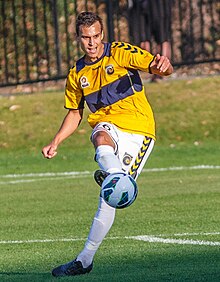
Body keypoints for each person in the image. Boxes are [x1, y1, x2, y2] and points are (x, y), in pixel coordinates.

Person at [42, 11, 173, 277]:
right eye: (85, 37)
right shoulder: (77, 73)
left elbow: (161, 66)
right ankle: (113, 176)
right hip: (108, 127)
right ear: (78, 38)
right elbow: (76, 112)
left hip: (138, 129)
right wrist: (56, 140)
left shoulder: (121, 52)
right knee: (99, 136)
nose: (91, 42)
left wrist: (164, 67)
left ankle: (85, 259)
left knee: (108, 200)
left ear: (102, 34)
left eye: (96, 36)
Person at [128, 0, 172, 81]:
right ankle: (148, 69)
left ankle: (161, 71)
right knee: (142, 40)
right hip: (139, 4)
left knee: (162, 38)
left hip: (159, 4)